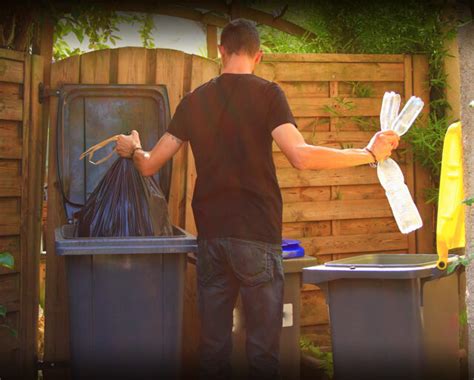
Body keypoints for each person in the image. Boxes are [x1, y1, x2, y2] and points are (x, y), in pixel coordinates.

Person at [116, 19, 399, 380]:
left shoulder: (194, 101)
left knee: (213, 351)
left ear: (219, 51)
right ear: (259, 56)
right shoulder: (268, 94)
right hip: (257, 237)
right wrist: (369, 154)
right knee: (263, 355)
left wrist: (134, 147)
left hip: (213, 240)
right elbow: (301, 156)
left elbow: (149, 165)